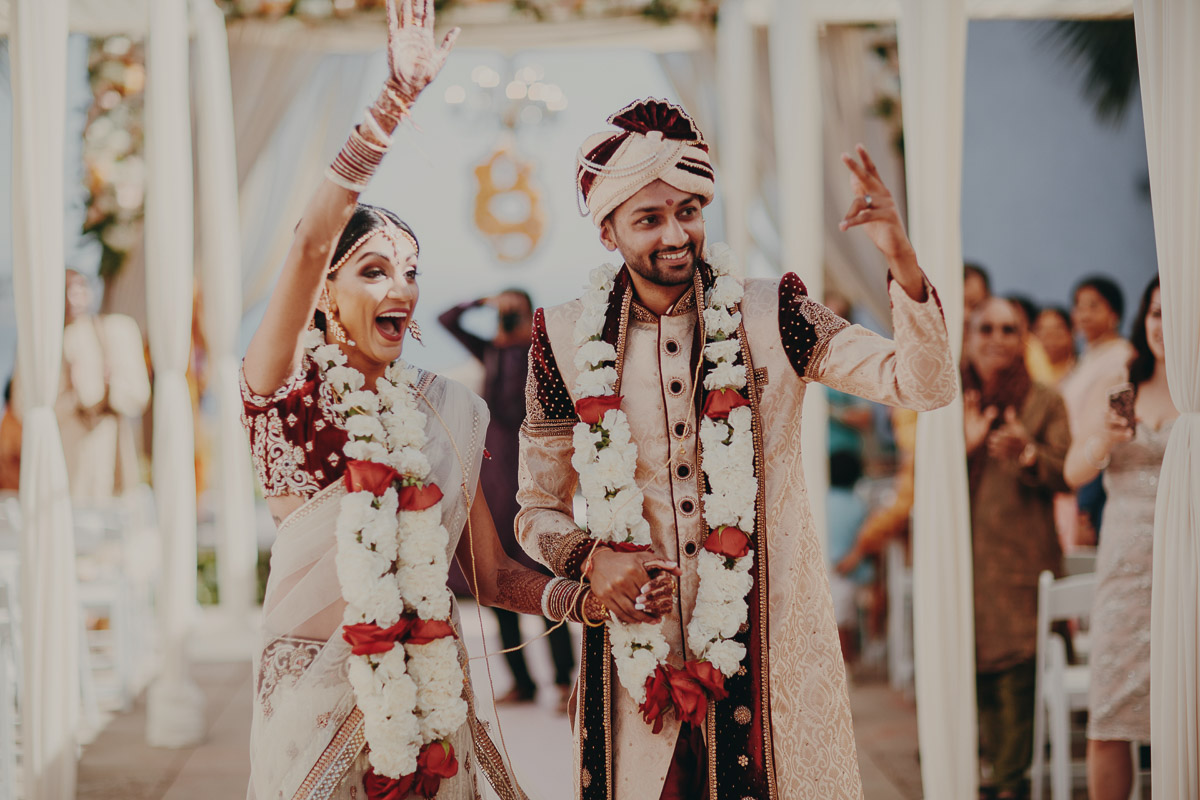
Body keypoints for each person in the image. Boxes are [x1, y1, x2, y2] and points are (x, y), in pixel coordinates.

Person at [239, 4, 673, 798]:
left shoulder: (446, 409)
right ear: (325, 294)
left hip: (431, 694)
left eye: (410, 270)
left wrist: (589, 599)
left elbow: (490, 570)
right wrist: (394, 102)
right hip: (312, 703)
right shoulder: (283, 395)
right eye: (372, 269)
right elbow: (306, 239)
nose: (399, 286)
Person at [515, 99, 956, 799]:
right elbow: (536, 508)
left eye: (688, 211)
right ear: (607, 232)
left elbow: (923, 384)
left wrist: (899, 259)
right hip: (638, 659)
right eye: (649, 218)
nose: (676, 234)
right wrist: (593, 561)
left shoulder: (774, 311)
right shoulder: (562, 342)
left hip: (771, 644)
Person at [438, 290, 576, 711]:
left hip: (531, 473)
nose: (509, 316)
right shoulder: (490, 350)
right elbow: (447, 317)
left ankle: (566, 680)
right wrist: (480, 303)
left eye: (516, 308)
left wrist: (521, 329)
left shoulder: (537, 352)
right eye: (506, 309)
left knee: (540, 572)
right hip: (493, 476)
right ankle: (522, 681)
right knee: (493, 571)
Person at [1064, 277, 1172, 800]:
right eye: (1155, 313)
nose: (1163, 327)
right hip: (1124, 564)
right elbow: (1074, 471)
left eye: (1175, 314)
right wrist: (1104, 438)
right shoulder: (1123, 384)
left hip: (1184, 561)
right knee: (1109, 715)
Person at [962, 298, 1070, 800]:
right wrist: (965, 446)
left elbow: (1065, 471)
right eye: (988, 328)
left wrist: (1027, 450)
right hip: (966, 559)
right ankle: (986, 769)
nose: (998, 338)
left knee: (1018, 668)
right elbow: (920, 482)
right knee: (973, 663)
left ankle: (1010, 780)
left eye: (1010, 329)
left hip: (1022, 555)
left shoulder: (1044, 400)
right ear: (971, 334)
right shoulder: (950, 397)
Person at [8, 270, 150, 502]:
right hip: (62, 462)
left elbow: (139, 395)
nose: (73, 297)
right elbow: (22, 407)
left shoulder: (115, 332)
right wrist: (70, 397)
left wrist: (110, 386)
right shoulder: (36, 344)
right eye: (66, 290)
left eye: (79, 288)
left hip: (110, 459)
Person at [1059, 276, 1134, 546]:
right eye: (1078, 306)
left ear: (1114, 314)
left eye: (1093, 306)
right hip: (1075, 462)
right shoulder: (1086, 358)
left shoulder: (1123, 358)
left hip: (1097, 469)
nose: (1084, 314)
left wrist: (1086, 504)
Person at [825, 450, 870, 662]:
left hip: (824, 566)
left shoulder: (821, 498)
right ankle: (846, 665)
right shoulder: (858, 504)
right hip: (847, 572)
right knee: (843, 624)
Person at [1032, 306, 1075, 387]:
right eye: (1044, 334)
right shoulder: (1030, 372)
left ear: (1071, 334)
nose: (1050, 342)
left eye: (1057, 333)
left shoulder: (1080, 370)